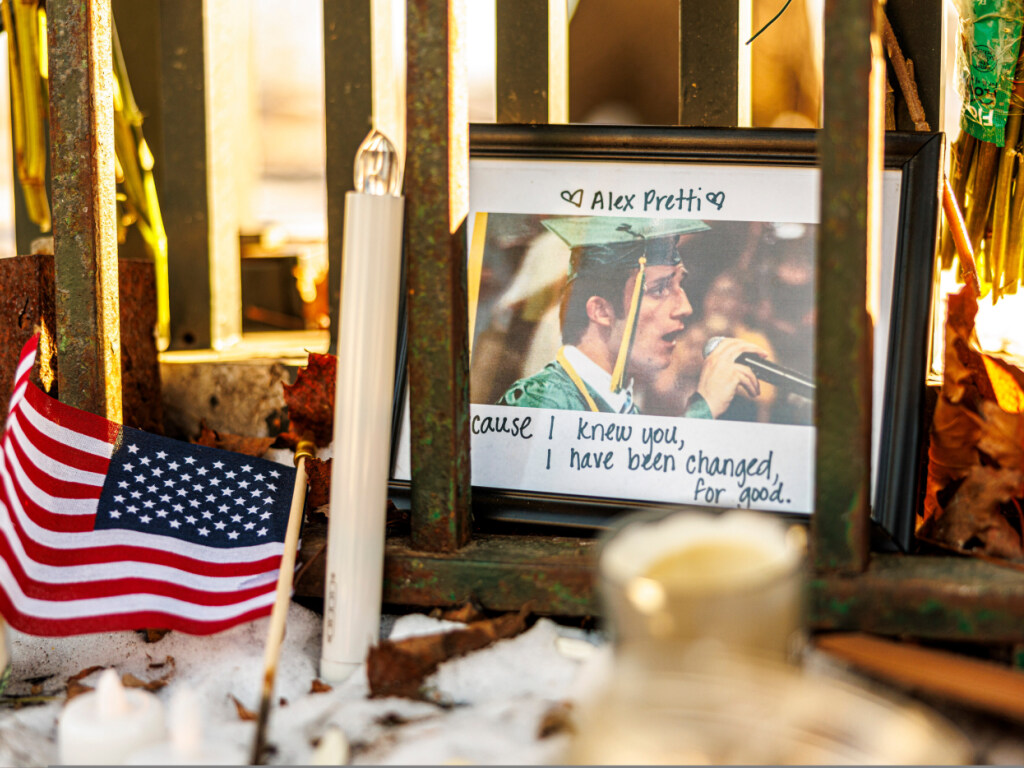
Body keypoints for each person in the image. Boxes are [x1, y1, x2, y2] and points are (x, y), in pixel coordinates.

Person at [497, 216, 766, 418]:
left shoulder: (620, 395)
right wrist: (704, 408)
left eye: (679, 286)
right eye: (659, 289)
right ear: (601, 311)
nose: (686, 308)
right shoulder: (541, 403)